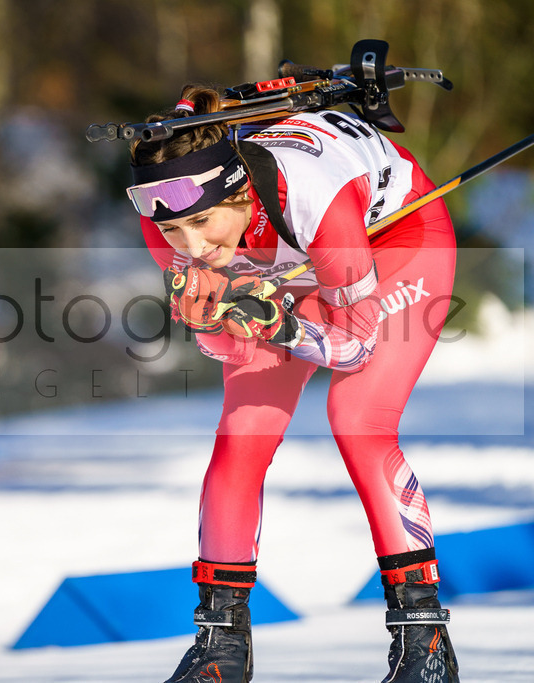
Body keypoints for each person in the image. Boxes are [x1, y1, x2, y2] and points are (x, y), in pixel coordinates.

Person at [126, 86, 460, 682]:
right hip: (292, 266)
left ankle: (424, 644)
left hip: (395, 241)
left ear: (238, 190)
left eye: (202, 222)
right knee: (243, 431)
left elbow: (354, 347)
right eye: (175, 231)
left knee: (358, 419)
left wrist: (275, 321)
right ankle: (220, 646)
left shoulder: (311, 197)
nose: (191, 247)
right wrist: (219, 317)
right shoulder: (168, 225)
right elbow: (224, 345)